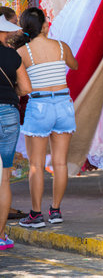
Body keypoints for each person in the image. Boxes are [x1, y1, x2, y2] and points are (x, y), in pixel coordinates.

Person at [16, 7, 78, 228]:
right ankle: (56, 211)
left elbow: (21, 85)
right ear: (44, 26)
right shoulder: (61, 47)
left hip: (40, 105)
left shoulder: (23, 53)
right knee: (60, 163)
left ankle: (35, 215)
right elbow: (74, 65)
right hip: (64, 104)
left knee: (36, 165)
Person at [0, 14, 32, 249]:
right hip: (8, 115)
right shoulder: (12, 55)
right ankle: (0, 236)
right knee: (4, 178)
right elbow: (26, 88)